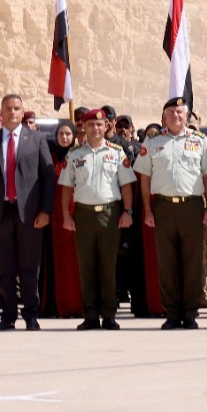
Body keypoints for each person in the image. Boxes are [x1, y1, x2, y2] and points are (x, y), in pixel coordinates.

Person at [133, 96, 207, 329]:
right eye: (171, 113)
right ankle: (171, 312)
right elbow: (144, 179)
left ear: (187, 116)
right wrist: (148, 210)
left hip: (192, 206)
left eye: (181, 113)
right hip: (162, 206)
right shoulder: (152, 143)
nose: (176, 116)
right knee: (167, 261)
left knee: (193, 262)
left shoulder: (200, 141)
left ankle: (190, 312)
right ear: (163, 117)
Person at [0, 95, 54, 330]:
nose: (12, 112)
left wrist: (45, 210)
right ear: (1, 111)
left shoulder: (37, 139)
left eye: (17, 109)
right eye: (8, 108)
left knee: (30, 268)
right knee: (5, 270)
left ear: (22, 112)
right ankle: (8, 316)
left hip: (29, 213)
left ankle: (31, 315)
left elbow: (48, 177)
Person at [58, 108, 136, 330]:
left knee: (108, 266)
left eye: (99, 125)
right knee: (87, 266)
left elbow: (126, 185)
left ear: (106, 127)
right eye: (91, 125)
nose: (95, 129)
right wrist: (66, 215)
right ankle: (91, 314)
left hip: (109, 214)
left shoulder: (117, 153)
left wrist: (127, 212)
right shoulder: (74, 156)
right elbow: (65, 188)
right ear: (84, 127)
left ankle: (109, 314)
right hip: (83, 214)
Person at [43, 120, 83, 318]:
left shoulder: (80, 155)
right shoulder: (48, 157)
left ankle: (78, 304)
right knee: (54, 260)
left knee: (77, 260)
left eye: (68, 134)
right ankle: (57, 305)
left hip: (77, 211)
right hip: (54, 214)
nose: (65, 138)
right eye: (61, 134)